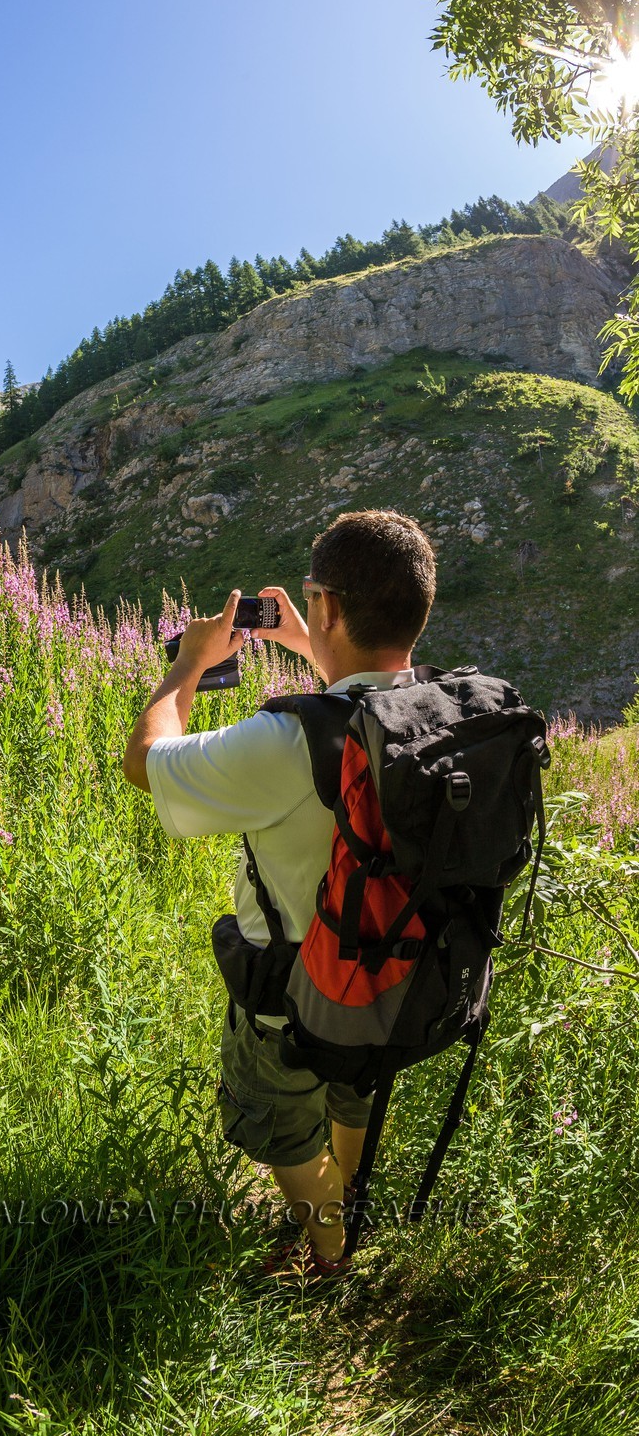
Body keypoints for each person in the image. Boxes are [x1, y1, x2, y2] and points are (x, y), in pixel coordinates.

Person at [122, 510, 437, 1279]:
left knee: (282, 1122)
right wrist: (314, 644)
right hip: (399, 974)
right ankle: (352, 1204)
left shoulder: (285, 739)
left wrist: (188, 666)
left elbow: (145, 760)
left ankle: (328, 1253)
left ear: (325, 605)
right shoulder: (438, 712)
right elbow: (365, 692)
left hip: (291, 986)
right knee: (356, 1090)